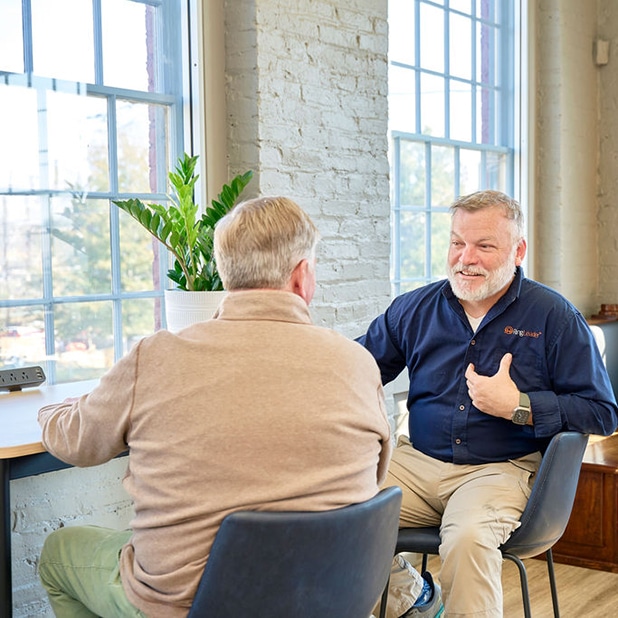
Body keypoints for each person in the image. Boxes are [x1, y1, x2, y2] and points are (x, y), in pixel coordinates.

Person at [38, 196, 394, 618]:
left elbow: (76, 443)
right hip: (328, 597)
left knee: (59, 552)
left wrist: (49, 410)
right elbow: (373, 476)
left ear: (226, 272)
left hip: (189, 606)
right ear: (302, 277)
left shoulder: (158, 356)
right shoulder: (356, 362)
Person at [358, 189, 618, 618]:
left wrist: (519, 405)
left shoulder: (554, 318)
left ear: (518, 251)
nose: (466, 258)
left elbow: (602, 413)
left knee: (467, 538)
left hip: (502, 470)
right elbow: (358, 368)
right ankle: (414, 599)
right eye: (458, 243)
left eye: (484, 246)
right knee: (332, 504)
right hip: (418, 461)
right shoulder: (414, 309)